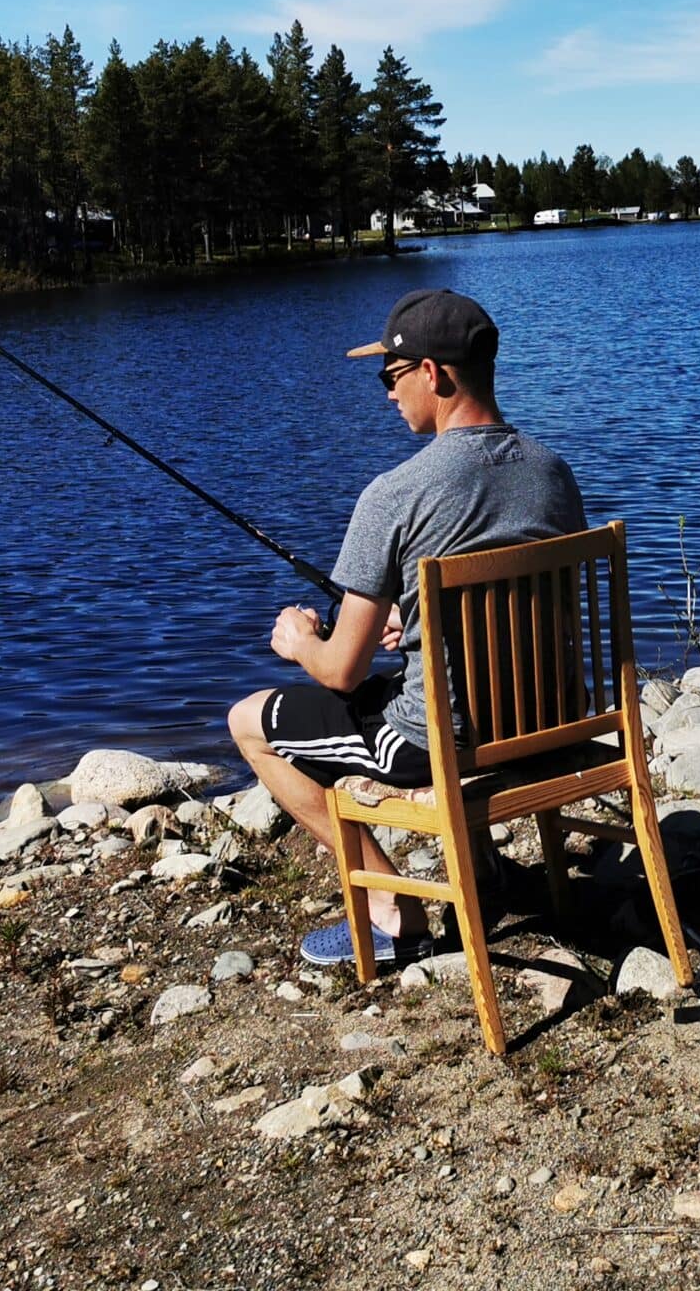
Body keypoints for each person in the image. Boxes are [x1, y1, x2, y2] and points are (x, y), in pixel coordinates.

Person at [228, 287, 584, 967]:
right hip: (544, 723)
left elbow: (341, 672)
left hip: (441, 743)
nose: (387, 394)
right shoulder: (552, 472)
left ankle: (394, 913)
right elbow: (520, 595)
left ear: (431, 373)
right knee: (402, 681)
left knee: (250, 722)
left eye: (390, 376)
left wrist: (299, 641)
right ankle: (482, 873)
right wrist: (416, 615)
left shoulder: (394, 493)